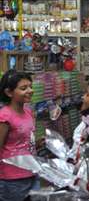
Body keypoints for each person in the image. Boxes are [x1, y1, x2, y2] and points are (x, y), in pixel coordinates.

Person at [0, 70, 37, 201]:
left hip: (32, 171)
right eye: (23, 88)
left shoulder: (28, 112)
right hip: (12, 178)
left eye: (30, 86)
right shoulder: (4, 116)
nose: (30, 90)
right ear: (9, 92)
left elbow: (26, 139)